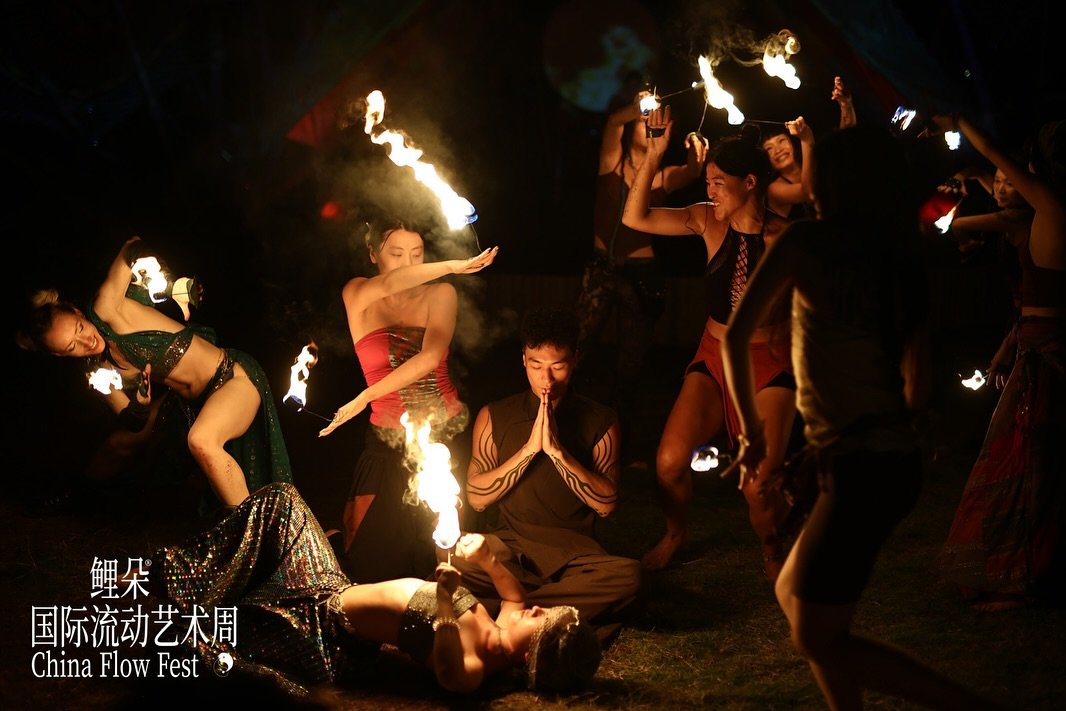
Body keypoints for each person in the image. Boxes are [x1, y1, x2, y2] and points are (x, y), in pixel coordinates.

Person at [722, 124, 1004, 710]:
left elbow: (737, 333)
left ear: (836, 181)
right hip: (885, 459)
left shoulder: (805, 243)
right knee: (792, 596)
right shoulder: (898, 256)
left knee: (815, 633)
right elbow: (917, 382)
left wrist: (751, 433)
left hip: (862, 468)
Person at [150, 482, 601, 697]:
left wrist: (445, 597)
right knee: (283, 501)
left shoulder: (475, 667)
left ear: (530, 657)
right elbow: (515, 595)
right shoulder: (505, 623)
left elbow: (446, 668)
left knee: (223, 627)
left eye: (543, 623)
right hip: (329, 587)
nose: (536, 611)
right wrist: (485, 558)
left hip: (322, 630)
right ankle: (180, 576)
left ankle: (176, 594)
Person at [622, 105, 795, 576]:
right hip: (714, 355)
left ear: (750, 183)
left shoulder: (785, 239)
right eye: (709, 180)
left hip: (769, 363)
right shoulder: (705, 220)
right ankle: (676, 534)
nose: (709, 188)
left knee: (757, 485)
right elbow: (634, 217)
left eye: (719, 181)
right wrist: (655, 154)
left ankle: (774, 549)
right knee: (670, 460)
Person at [16, 237, 292, 507]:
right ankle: (76, 497)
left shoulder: (107, 308)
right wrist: (140, 404)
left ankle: (251, 535)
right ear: (59, 355)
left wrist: (143, 258)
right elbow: (131, 419)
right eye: (71, 347)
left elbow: (133, 246)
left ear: (77, 312)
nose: (86, 342)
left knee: (201, 440)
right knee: (120, 442)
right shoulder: (100, 370)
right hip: (189, 405)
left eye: (79, 329)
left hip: (232, 377)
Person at [318, 218, 497, 583]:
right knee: (370, 566)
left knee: (443, 559)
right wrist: (453, 263)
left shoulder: (441, 293)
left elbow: (431, 358)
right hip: (385, 442)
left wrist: (363, 397)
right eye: (396, 253)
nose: (409, 263)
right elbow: (390, 283)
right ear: (373, 255)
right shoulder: (358, 293)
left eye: (417, 253)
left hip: (442, 436)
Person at [934, 115, 1066, 610]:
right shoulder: (1046, 212)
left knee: (1026, 466)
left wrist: (959, 120)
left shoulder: (1049, 208)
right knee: (1037, 464)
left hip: (1045, 353)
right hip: (1039, 343)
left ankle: (1020, 576)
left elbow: (995, 156)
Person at [461, 308, 641, 640]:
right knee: (457, 562)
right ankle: (551, 610)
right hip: (510, 547)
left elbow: (606, 504)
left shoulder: (601, 421)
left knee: (629, 576)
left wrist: (558, 452)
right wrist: (530, 450)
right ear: (523, 360)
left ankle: (511, 605)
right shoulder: (495, 416)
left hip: (576, 555)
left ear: (575, 361)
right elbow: (477, 498)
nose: (547, 380)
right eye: (536, 365)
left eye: (558, 366)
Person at [575, 89, 707, 444]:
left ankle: (620, 440)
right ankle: (565, 426)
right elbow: (611, 121)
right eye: (641, 120)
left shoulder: (662, 176)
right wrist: (636, 106)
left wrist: (696, 152)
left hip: (641, 276)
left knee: (630, 365)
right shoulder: (611, 159)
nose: (646, 123)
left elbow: (693, 171)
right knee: (577, 349)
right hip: (602, 269)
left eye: (653, 118)